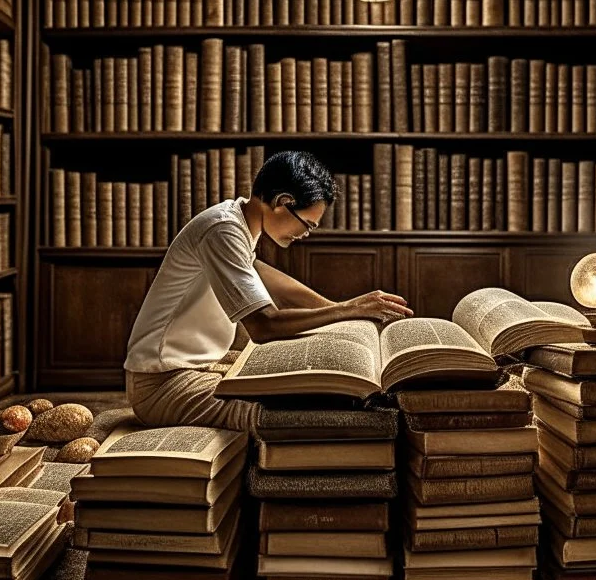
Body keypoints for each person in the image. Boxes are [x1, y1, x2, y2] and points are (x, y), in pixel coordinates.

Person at [123, 150, 413, 432]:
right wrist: (346, 310)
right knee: (274, 414)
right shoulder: (222, 229)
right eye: (306, 224)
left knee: (300, 391)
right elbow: (264, 325)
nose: (305, 234)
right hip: (162, 383)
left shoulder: (239, 222)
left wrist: (338, 308)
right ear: (282, 202)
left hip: (198, 367)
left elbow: (263, 275)